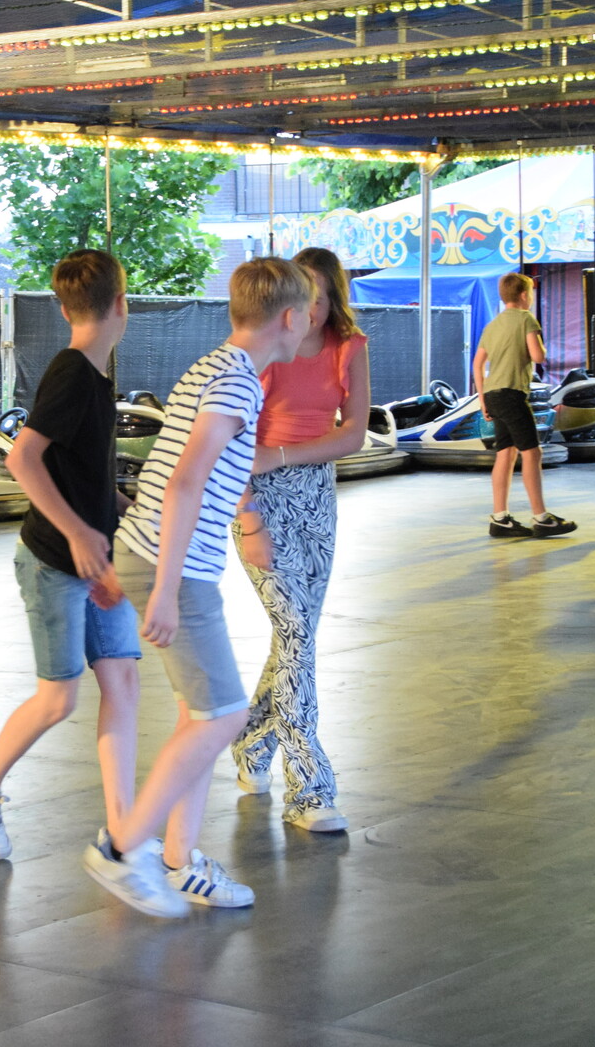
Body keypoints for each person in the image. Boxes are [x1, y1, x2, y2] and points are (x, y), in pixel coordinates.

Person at [85, 257, 313, 917]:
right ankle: (123, 849)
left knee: (201, 714)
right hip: (175, 565)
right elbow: (185, 480)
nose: (310, 325)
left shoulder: (215, 368)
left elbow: (188, 475)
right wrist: (161, 588)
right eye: (309, 314)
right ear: (290, 318)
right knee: (225, 716)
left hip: (168, 559)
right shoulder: (236, 382)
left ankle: (181, 861)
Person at [0, 251, 143, 860]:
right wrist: (81, 534)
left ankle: (124, 829)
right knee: (58, 697)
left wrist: (124, 505)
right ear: (122, 304)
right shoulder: (72, 373)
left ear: (63, 309)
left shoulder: (94, 376)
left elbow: (78, 472)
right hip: (55, 563)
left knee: (123, 681)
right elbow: (23, 458)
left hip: (96, 562)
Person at [231, 247, 372, 836]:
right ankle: (309, 788)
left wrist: (285, 454)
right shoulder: (265, 350)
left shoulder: (349, 347)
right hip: (259, 499)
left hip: (316, 497)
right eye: (299, 294)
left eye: (317, 295)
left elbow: (354, 435)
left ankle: (251, 740)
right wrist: (249, 519)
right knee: (294, 632)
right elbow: (234, 443)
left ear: (332, 297)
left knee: (297, 638)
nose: (307, 307)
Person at [472, 272, 577, 539]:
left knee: (505, 453)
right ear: (523, 295)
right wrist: (540, 346)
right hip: (512, 393)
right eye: (530, 293)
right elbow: (538, 355)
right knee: (532, 453)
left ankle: (500, 518)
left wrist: (482, 399)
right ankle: (541, 517)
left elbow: (477, 364)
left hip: (493, 394)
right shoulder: (526, 318)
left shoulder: (492, 325)